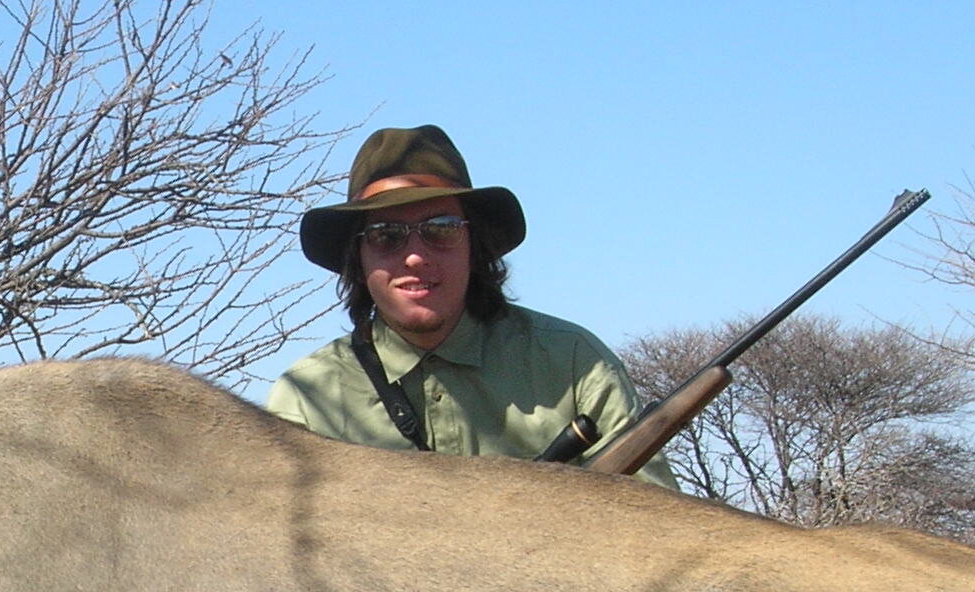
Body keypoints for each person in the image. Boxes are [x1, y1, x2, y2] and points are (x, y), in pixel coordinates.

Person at [266, 123, 677, 486]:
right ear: (357, 258)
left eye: (440, 230)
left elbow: (654, 535)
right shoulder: (306, 398)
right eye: (387, 235)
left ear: (474, 246)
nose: (414, 256)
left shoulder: (574, 364)